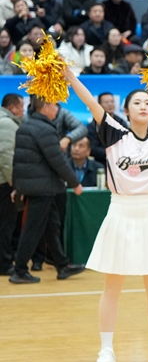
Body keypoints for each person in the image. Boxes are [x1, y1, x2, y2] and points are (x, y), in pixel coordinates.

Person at [63, 67, 148, 362]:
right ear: (125, 110)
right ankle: (106, 350)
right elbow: (89, 101)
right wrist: (70, 76)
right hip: (120, 211)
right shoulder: (114, 133)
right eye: (137, 102)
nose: (143, 106)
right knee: (113, 284)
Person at [9, 96, 87, 283]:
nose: (57, 109)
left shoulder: (25, 126)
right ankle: (20, 271)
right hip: (43, 187)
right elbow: (57, 160)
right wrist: (75, 183)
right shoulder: (45, 129)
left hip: (39, 186)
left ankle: (62, 265)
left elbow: (19, 160)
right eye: (54, 105)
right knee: (32, 229)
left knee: (51, 227)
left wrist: (18, 186)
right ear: (45, 107)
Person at [0, 93, 23, 275]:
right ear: (12, 107)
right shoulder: (7, 124)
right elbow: (6, 156)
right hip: (4, 182)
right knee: (5, 224)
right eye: (21, 107)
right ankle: (5, 264)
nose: (23, 111)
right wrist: (12, 181)